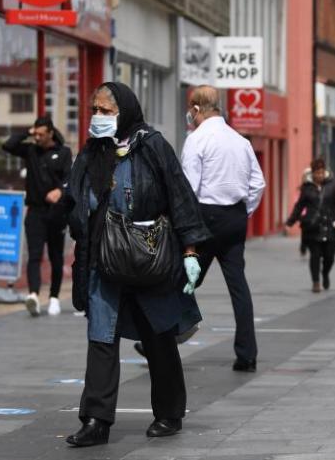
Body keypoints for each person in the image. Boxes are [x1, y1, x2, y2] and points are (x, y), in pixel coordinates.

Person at [63, 82, 210, 447]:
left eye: (106, 111)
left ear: (124, 112)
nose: (99, 117)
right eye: (95, 110)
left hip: (149, 256)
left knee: (158, 336)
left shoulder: (152, 146)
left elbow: (180, 197)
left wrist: (191, 251)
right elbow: (76, 200)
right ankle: (96, 420)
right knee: (101, 337)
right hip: (103, 259)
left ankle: (169, 413)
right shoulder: (93, 151)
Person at [178, 85, 264, 372]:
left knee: (184, 279)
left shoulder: (196, 139)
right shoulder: (240, 140)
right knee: (238, 285)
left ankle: (165, 335)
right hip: (235, 217)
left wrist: (186, 227)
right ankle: (247, 353)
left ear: (197, 109)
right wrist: (244, 211)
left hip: (205, 214)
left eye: (190, 109)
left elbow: (189, 188)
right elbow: (258, 184)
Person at [2, 116, 73, 316]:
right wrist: (28, 132)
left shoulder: (63, 152)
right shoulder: (31, 150)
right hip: (35, 212)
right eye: (37, 134)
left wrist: (60, 191)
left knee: (55, 257)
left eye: (42, 134)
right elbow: (8, 145)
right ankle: (33, 294)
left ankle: (54, 298)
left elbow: (70, 178)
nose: (38, 137)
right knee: (34, 255)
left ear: (51, 133)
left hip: (56, 213)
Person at [286, 158, 335, 293]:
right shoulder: (307, 188)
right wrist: (290, 221)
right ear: (312, 173)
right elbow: (299, 206)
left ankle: (325, 273)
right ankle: (316, 282)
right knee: (315, 255)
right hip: (312, 227)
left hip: (330, 225)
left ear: (325, 172)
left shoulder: (333, 186)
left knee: (329, 256)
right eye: (316, 173)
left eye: (321, 172)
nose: (319, 175)